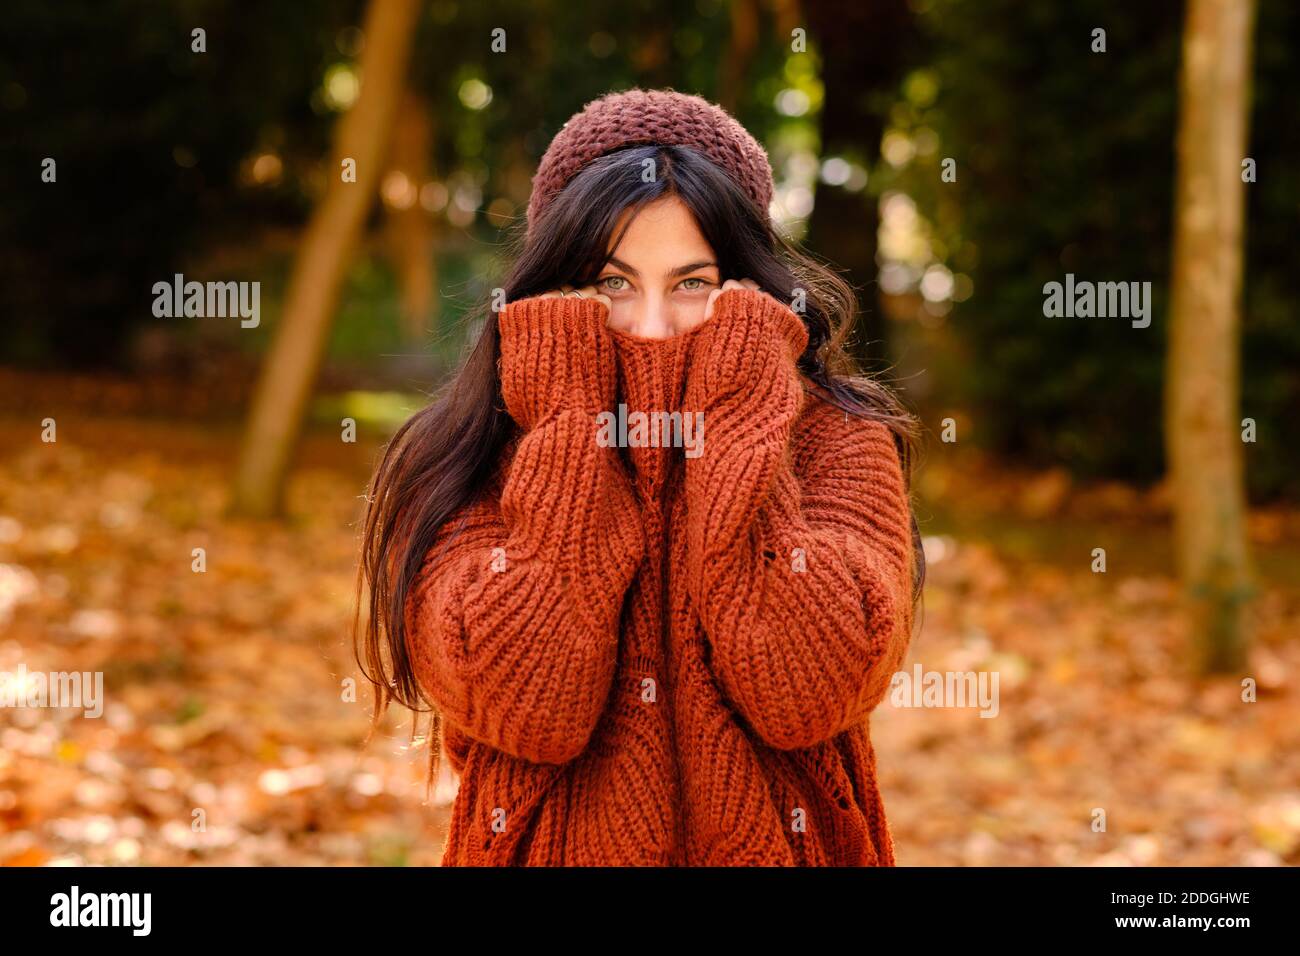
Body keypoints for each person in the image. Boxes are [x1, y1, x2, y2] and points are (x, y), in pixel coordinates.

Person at [356, 88, 924, 865]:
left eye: (693, 283)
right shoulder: (466, 457)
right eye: (612, 283)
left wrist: (741, 409)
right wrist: (566, 416)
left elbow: (809, 690)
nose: (651, 326)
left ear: (750, 289)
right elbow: (529, 702)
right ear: (554, 289)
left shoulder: (839, 441)